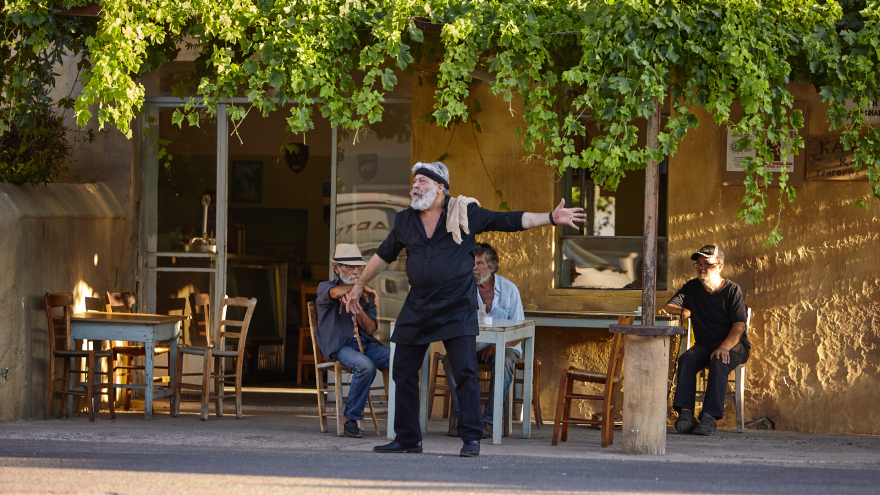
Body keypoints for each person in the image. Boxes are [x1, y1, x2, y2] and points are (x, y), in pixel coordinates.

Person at [345, 161, 585, 457]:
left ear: (440, 188)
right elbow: (383, 255)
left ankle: (471, 438)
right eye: (415, 181)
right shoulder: (406, 220)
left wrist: (551, 217)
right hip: (418, 304)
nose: (415, 186)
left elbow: (507, 220)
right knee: (403, 371)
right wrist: (358, 285)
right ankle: (407, 438)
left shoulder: (464, 213)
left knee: (465, 372)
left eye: (422, 181)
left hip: (456, 305)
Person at [665, 244, 750, 436]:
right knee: (686, 359)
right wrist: (683, 310)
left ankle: (709, 417)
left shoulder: (732, 290)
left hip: (734, 345)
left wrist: (725, 347)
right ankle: (686, 414)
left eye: (707, 264)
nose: (702, 268)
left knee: (719, 359)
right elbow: (669, 306)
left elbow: (739, 326)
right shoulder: (692, 287)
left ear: (719, 266)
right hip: (705, 344)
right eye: (699, 264)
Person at [442, 242, 524, 439]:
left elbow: (520, 331)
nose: (475, 268)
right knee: (450, 360)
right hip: (474, 345)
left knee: (503, 361)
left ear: (493, 266)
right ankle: (465, 421)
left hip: (506, 345)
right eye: (472, 263)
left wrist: (499, 344)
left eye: (480, 263)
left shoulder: (509, 290)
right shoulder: (462, 288)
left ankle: (489, 422)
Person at [315, 243, 389, 439]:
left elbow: (371, 329)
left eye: (359, 267)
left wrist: (360, 306)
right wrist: (361, 287)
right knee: (366, 367)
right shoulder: (326, 287)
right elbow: (335, 293)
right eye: (350, 267)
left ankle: (402, 418)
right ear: (336, 268)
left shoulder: (365, 296)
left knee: (400, 358)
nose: (356, 271)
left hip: (365, 343)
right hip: (340, 346)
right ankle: (350, 419)